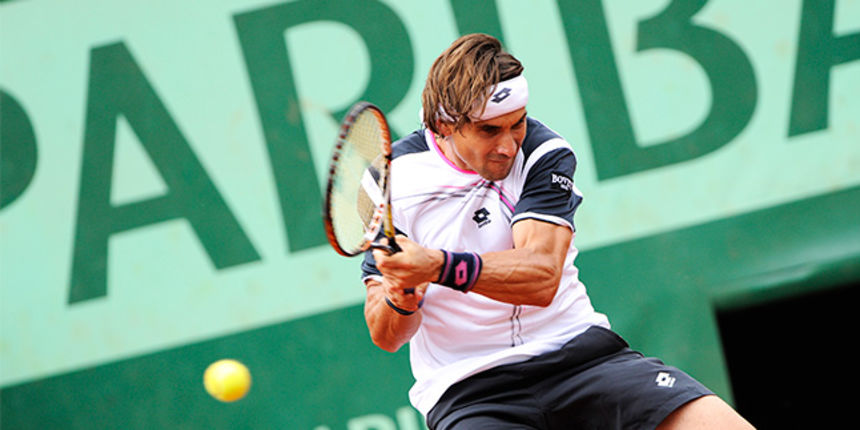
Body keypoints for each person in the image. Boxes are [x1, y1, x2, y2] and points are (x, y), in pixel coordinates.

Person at [361, 33, 754, 429]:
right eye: (489, 130)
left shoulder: (543, 152)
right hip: (470, 392)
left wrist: (437, 266)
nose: (508, 146)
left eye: (517, 123)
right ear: (443, 124)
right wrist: (402, 294)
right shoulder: (388, 181)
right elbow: (386, 335)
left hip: (581, 359)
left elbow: (541, 276)